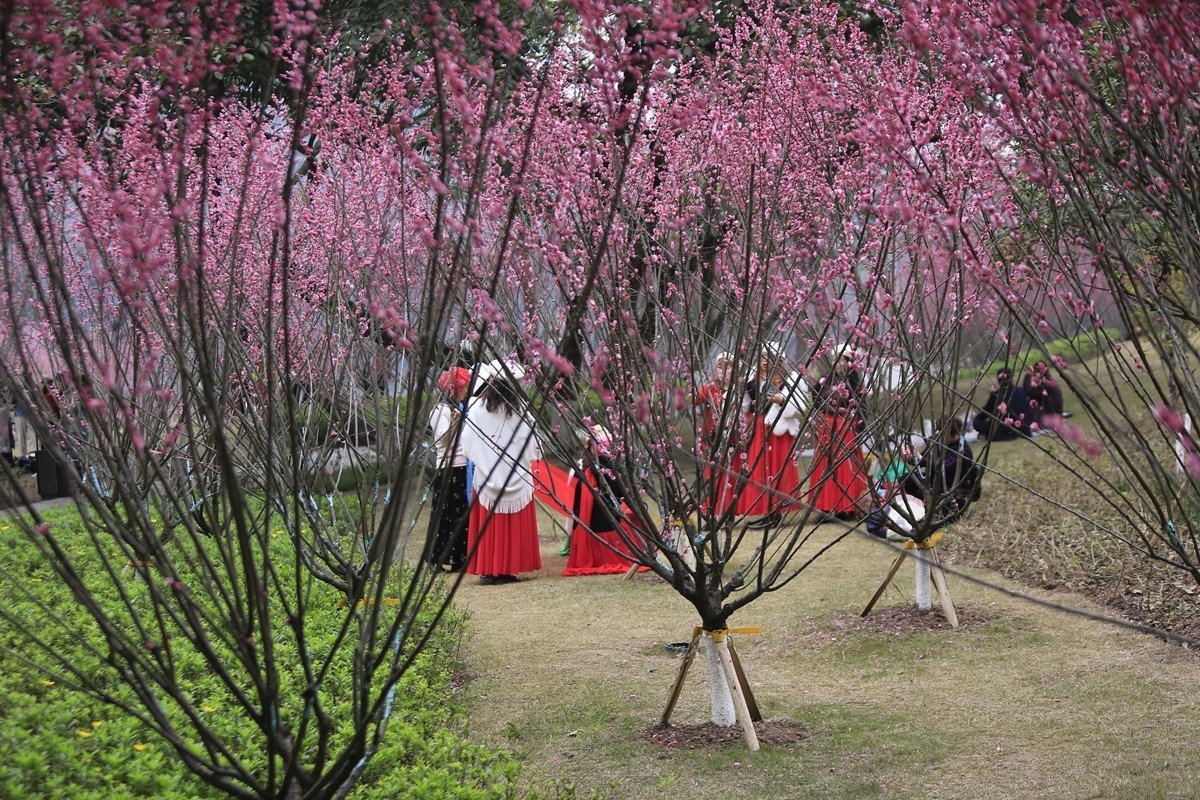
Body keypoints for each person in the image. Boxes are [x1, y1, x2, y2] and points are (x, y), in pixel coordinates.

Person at [459, 367, 542, 585]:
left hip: (487, 475)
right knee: (511, 525)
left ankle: (489, 569)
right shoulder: (521, 409)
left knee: (490, 523)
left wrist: (484, 459)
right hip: (517, 473)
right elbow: (532, 440)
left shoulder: (476, 409)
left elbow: (467, 441)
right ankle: (510, 568)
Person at [739, 343, 806, 529]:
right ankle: (766, 509)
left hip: (777, 429)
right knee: (760, 468)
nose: (765, 362)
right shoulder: (752, 379)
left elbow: (799, 404)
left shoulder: (787, 379)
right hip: (759, 427)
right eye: (763, 357)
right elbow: (744, 402)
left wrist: (782, 400)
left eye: (769, 358)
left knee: (777, 468)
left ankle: (777, 511)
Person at [562, 426, 641, 576]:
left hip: (587, 537)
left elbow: (574, 507)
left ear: (589, 448)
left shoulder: (579, 473)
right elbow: (628, 499)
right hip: (612, 535)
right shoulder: (613, 473)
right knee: (630, 518)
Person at [807, 346, 868, 519]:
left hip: (845, 426)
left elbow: (860, 405)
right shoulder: (826, 379)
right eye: (836, 359)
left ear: (849, 362)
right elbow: (815, 396)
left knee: (845, 466)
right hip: (827, 426)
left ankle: (845, 507)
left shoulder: (854, 381)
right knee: (825, 465)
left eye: (842, 359)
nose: (838, 363)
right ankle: (825, 506)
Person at [425, 367, 471, 573]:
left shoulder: (458, 407)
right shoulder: (440, 411)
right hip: (448, 468)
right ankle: (435, 558)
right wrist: (454, 420)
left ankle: (459, 557)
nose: (466, 390)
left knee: (461, 513)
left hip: (462, 466)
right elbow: (443, 440)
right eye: (463, 387)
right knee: (445, 515)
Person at [902, 416, 980, 525]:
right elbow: (924, 459)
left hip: (952, 489)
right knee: (908, 479)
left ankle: (933, 508)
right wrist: (913, 458)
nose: (940, 437)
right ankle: (924, 505)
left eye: (943, 435)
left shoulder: (963, 450)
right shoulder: (937, 439)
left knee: (945, 517)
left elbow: (944, 467)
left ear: (953, 434)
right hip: (934, 482)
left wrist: (921, 459)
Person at [694, 352, 742, 519]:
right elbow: (693, 400)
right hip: (712, 440)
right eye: (719, 367)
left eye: (726, 367)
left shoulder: (739, 390)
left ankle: (729, 512)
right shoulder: (710, 389)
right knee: (711, 477)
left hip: (732, 441)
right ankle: (711, 513)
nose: (722, 371)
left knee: (730, 476)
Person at [973, 367, 1034, 440]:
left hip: (1005, 430)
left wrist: (976, 418)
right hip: (1023, 427)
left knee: (977, 423)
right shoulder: (1021, 390)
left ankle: (990, 435)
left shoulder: (996, 395)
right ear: (1012, 378)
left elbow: (985, 413)